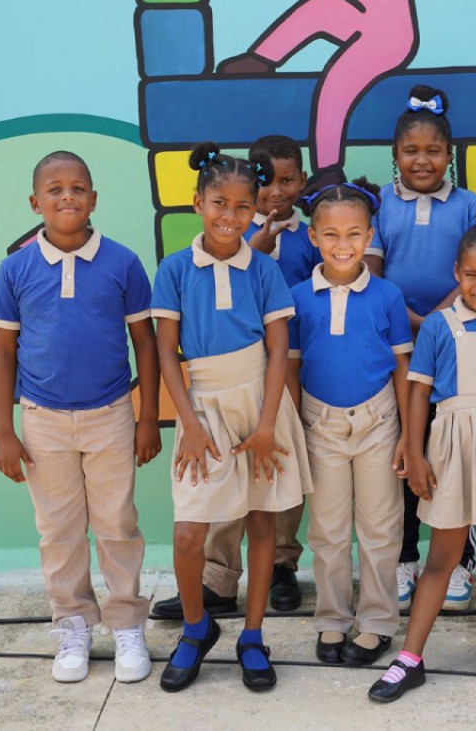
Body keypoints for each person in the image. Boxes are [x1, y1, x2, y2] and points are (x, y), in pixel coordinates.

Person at [0, 151, 161, 684]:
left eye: (78, 187)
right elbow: (3, 353)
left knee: (117, 525)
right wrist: (4, 431)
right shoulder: (15, 269)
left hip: (110, 414)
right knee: (58, 531)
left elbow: (145, 344)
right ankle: (73, 625)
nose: (68, 197)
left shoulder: (122, 263)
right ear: (35, 201)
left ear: (94, 198)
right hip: (41, 420)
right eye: (56, 189)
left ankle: (127, 625)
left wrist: (147, 416)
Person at [151, 143, 312, 693]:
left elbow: (278, 350)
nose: (230, 216)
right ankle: (197, 627)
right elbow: (165, 352)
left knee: (261, 518)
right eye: (219, 203)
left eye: (243, 207)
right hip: (204, 405)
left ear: (255, 210)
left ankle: (252, 633)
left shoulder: (263, 270)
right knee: (189, 528)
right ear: (198, 202)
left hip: (259, 404)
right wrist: (188, 422)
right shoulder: (174, 270)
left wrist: (268, 425)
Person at [368, 206, 476, 703]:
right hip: (453, 446)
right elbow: (419, 392)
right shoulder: (441, 326)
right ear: (456, 274)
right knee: (442, 554)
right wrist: (416, 455)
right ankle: (411, 656)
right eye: (470, 275)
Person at [217, 0, 476, 187]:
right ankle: (261, 58)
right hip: (360, 19)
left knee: (336, 81)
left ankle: (328, 168)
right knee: (321, 4)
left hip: (391, 37)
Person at [367, 84, 476, 613]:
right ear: (395, 156)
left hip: (455, 346)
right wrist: (406, 318)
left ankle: (458, 557)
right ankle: (407, 556)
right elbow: (369, 272)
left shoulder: (469, 206)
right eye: (411, 151)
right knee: (403, 451)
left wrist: (432, 317)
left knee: (449, 448)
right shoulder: (380, 206)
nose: (422, 160)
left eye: (433, 151)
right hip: (394, 350)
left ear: (449, 155)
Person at [288, 178, 412, 666]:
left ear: (370, 236)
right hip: (319, 423)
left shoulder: (387, 295)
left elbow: (402, 365)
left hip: (379, 419)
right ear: (315, 237)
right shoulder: (298, 296)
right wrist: (295, 425)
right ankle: (333, 619)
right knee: (328, 530)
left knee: (381, 528)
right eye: (333, 235)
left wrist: (406, 431)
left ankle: (378, 620)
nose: (344, 245)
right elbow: (291, 365)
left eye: (355, 234)